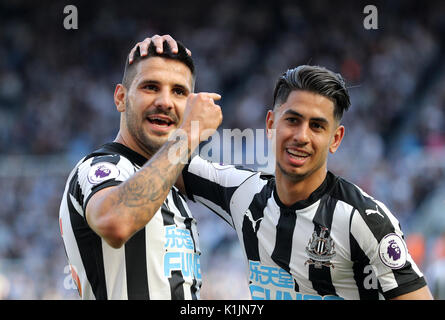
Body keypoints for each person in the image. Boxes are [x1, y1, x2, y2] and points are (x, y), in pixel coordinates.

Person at [129, 39, 433, 300]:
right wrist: (158, 58)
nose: (301, 136)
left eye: (317, 126)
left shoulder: (364, 220)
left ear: (335, 139)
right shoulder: (243, 193)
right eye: (293, 120)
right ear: (271, 123)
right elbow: (160, 159)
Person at [59, 35, 223, 300]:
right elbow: (115, 222)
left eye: (179, 91)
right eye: (150, 87)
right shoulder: (102, 166)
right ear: (121, 98)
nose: (165, 102)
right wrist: (188, 135)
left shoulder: (169, 180)